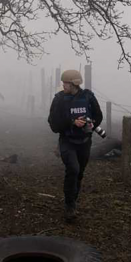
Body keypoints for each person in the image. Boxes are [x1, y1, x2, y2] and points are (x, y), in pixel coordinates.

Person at [47, 69, 103, 223]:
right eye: (63, 82)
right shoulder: (59, 99)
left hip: (85, 141)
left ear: (74, 84)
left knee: (79, 173)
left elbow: (99, 116)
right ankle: (69, 205)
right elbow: (53, 124)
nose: (63, 85)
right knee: (73, 169)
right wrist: (72, 122)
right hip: (67, 141)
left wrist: (90, 123)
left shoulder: (88, 97)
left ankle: (73, 199)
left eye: (66, 83)